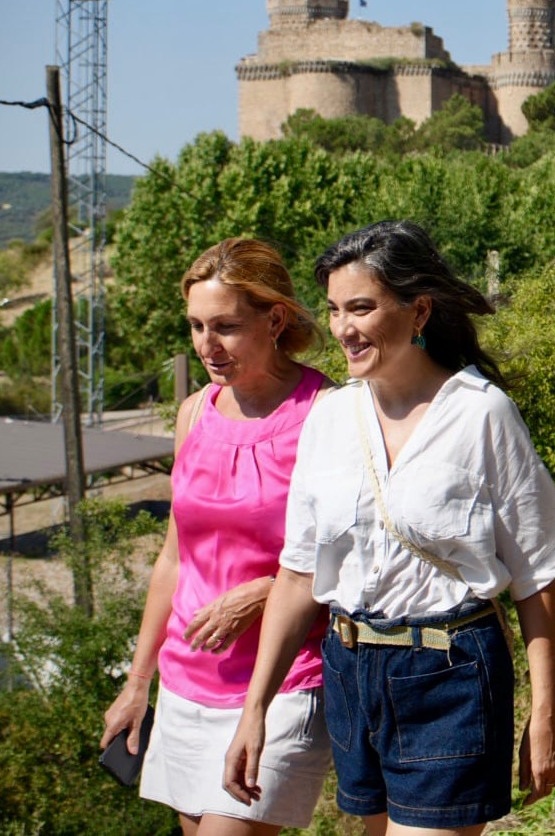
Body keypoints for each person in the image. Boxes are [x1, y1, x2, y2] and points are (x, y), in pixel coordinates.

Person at [224, 220, 555, 835]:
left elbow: (537, 575)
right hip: (351, 670)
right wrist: (253, 709)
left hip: (450, 673)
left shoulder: (481, 414)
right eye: (336, 310)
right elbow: (297, 573)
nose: (344, 328)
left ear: (418, 311)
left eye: (362, 308)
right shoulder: (330, 417)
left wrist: (546, 709)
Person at [101, 238, 332, 835]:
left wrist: (263, 591)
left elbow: (356, 556)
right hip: (186, 683)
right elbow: (175, 560)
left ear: (275, 318)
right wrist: (137, 684)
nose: (207, 345)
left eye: (225, 326)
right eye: (197, 326)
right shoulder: (193, 413)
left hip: (282, 682)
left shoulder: (326, 412)